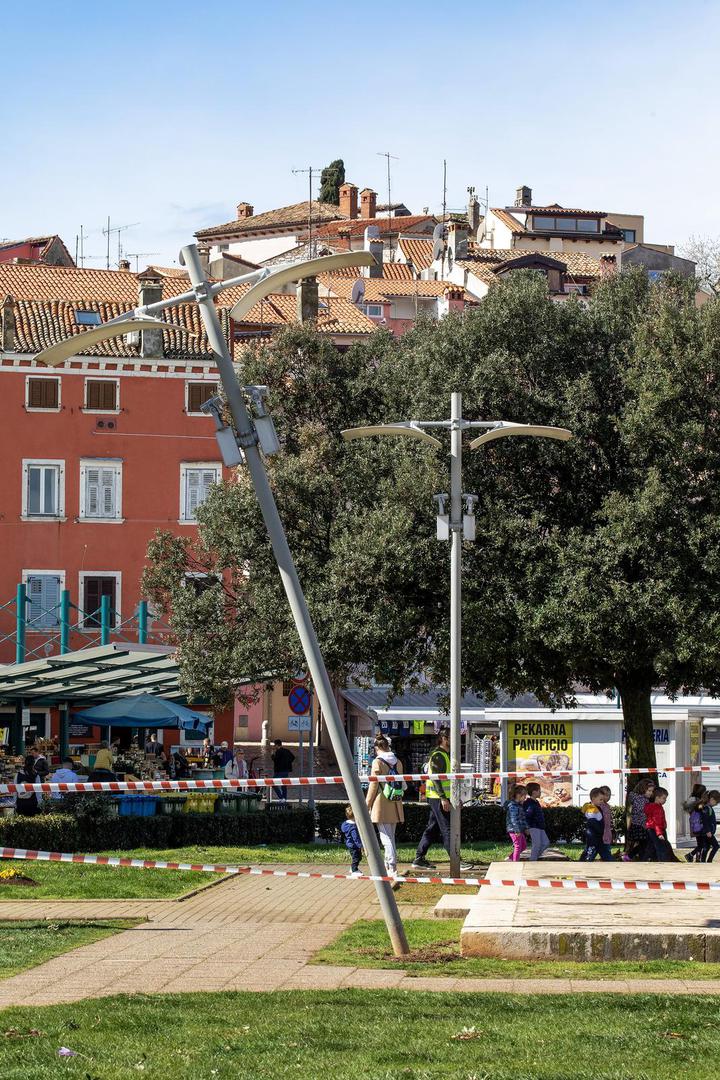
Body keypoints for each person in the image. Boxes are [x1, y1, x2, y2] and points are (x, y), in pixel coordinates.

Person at [412, 727, 473, 872]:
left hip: (439, 798)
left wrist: (453, 798)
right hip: (438, 798)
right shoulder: (439, 755)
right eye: (453, 738)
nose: (456, 741)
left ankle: (419, 858)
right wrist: (444, 799)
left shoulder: (444, 755)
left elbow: (449, 780)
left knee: (432, 829)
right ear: (445, 738)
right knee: (448, 829)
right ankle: (456, 860)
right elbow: (436, 779)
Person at [366, 735, 404, 879]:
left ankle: (391, 865)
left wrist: (366, 804)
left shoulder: (377, 762)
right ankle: (390, 865)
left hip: (381, 801)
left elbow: (373, 784)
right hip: (395, 800)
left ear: (377, 748)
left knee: (385, 836)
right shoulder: (398, 762)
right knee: (391, 835)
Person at [624, 779, 655, 861]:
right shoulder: (641, 800)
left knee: (643, 843)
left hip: (637, 825)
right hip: (640, 825)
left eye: (652, 791)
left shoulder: (640, 799)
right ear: (643, 789)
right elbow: (641, 812)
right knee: (644, 843)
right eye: (649, 791)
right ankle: (631, 856)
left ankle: (635, 856)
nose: (651, 793)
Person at [579, 788, 611, 861]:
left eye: (602, 800)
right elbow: (592, 822)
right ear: (593, 798)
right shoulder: (591, 810)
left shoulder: (598, 808)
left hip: (599, 838)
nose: (602, 801)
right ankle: (582, 865)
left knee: (605, 854)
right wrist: (602, 831)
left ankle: (611, 864)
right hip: (594, 838)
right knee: (589, 854)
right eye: (600, 799)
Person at [644, 786, 672, 861]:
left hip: (650, 828)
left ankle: (645, 859)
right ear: (657, 798)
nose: (665, 800)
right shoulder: (657, 808)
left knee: (651, 845)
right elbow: (657, 822)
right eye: (663, 798)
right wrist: (659, 833)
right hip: (655, 829)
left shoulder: (653, 807)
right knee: (660, 846)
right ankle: (662, 860)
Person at [524, 782, 550, 860]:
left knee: (546, 843)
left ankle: (534, 858)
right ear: (534, 792)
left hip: (540, 826)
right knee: (537, 844)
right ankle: (533, 860)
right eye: (539, 791)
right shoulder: (528, 803)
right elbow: (526, 815)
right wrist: (526, 827)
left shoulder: (536, 802)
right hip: (533, 826)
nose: (540, 792)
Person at [504, 784, 529, 862]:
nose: (525, 797)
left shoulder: (519, 805)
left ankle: (511, 858)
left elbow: (523, 819)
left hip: (519, 829)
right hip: (514, 829)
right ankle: (515, 863)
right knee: (518, 846)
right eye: (524, 795)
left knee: (523, 846)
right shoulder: (513, 806)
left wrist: (526, 828)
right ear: (518, 795)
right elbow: (513, 819)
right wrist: (517, 830)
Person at [683, 784, 708, 862]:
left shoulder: (692, 799)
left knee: (700, 843)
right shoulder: (696, 800)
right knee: (701, 844)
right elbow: (699, 809)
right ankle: (690, 855)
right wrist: (703, 801)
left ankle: (697, 857)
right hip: (698, 823)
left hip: (695, 823)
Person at [340, 805, 363, 877]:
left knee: (356, 857)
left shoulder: (345, 824)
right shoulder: (353, 827)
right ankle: (354, 870)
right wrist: (361, 846)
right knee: (356, 858)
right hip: (354, 845)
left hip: (350, 844)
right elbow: (355, 838)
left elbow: (343, 829)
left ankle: (353, 868)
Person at [701, 791, 719, 863]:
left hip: (709, 832)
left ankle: (703, 861)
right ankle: (709, 860)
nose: (716, 804)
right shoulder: (707, 808)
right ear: (711, 799)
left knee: (707, 847)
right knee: (716, 846)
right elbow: (705, 820)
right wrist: (708, 831)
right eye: (716, 802)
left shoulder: (709, 808)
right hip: (708, 832)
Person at [597, 785, 615, 861]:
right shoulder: (598, 806)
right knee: (600, 847)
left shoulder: (607, 806)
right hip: (601, 831)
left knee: (607, 848)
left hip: (607, 831)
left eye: (609, 795)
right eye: (606, 795)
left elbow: (610, 820)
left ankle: (606, 859)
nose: (608, 797)